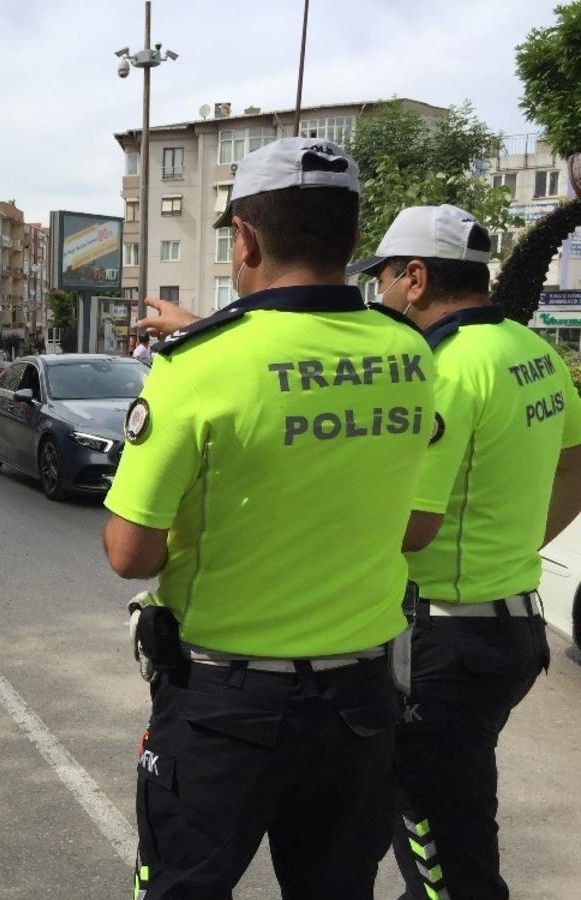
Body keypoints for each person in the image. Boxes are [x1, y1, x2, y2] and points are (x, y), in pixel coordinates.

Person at [102, 137, 436, 899]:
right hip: (360, 701)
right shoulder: (411, 354)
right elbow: (308, 357)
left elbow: (129, 553)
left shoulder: (195, 365)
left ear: (245, 239)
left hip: (224, 707)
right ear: (354, 237)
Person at [349, 204, 581, 900]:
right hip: (510, 627)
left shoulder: (443, 369)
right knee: (454, 817)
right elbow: (575, 464)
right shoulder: (532, 350)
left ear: (415, 278)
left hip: (445, 642)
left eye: (385, 278)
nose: (382, 292)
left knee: (443, 848)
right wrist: (512, 544)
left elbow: (413, 527)